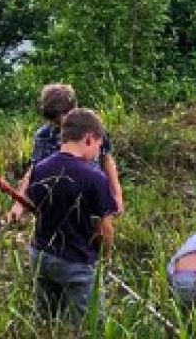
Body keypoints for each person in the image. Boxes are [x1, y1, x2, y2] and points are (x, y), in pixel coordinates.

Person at [24, 108, 118, 326]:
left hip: (41, 257)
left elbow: (34, 207)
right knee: (89, 325)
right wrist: (105, 257)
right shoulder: (94, 177)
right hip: (77, 263)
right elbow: (105, 229)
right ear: (88, 139)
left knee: (46, 321)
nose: (98, 152)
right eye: (98, 145)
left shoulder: (40, 169)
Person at [7, 83, 124, 222]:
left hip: (92, 193)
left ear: (73, 109)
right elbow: (34, 170)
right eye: (55, 122)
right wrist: (19, 202)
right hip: (60, 198)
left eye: (61, 119)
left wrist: (117, 196)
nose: (60, 125)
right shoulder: (44, 135)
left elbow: (107, 159)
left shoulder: (93, 126)